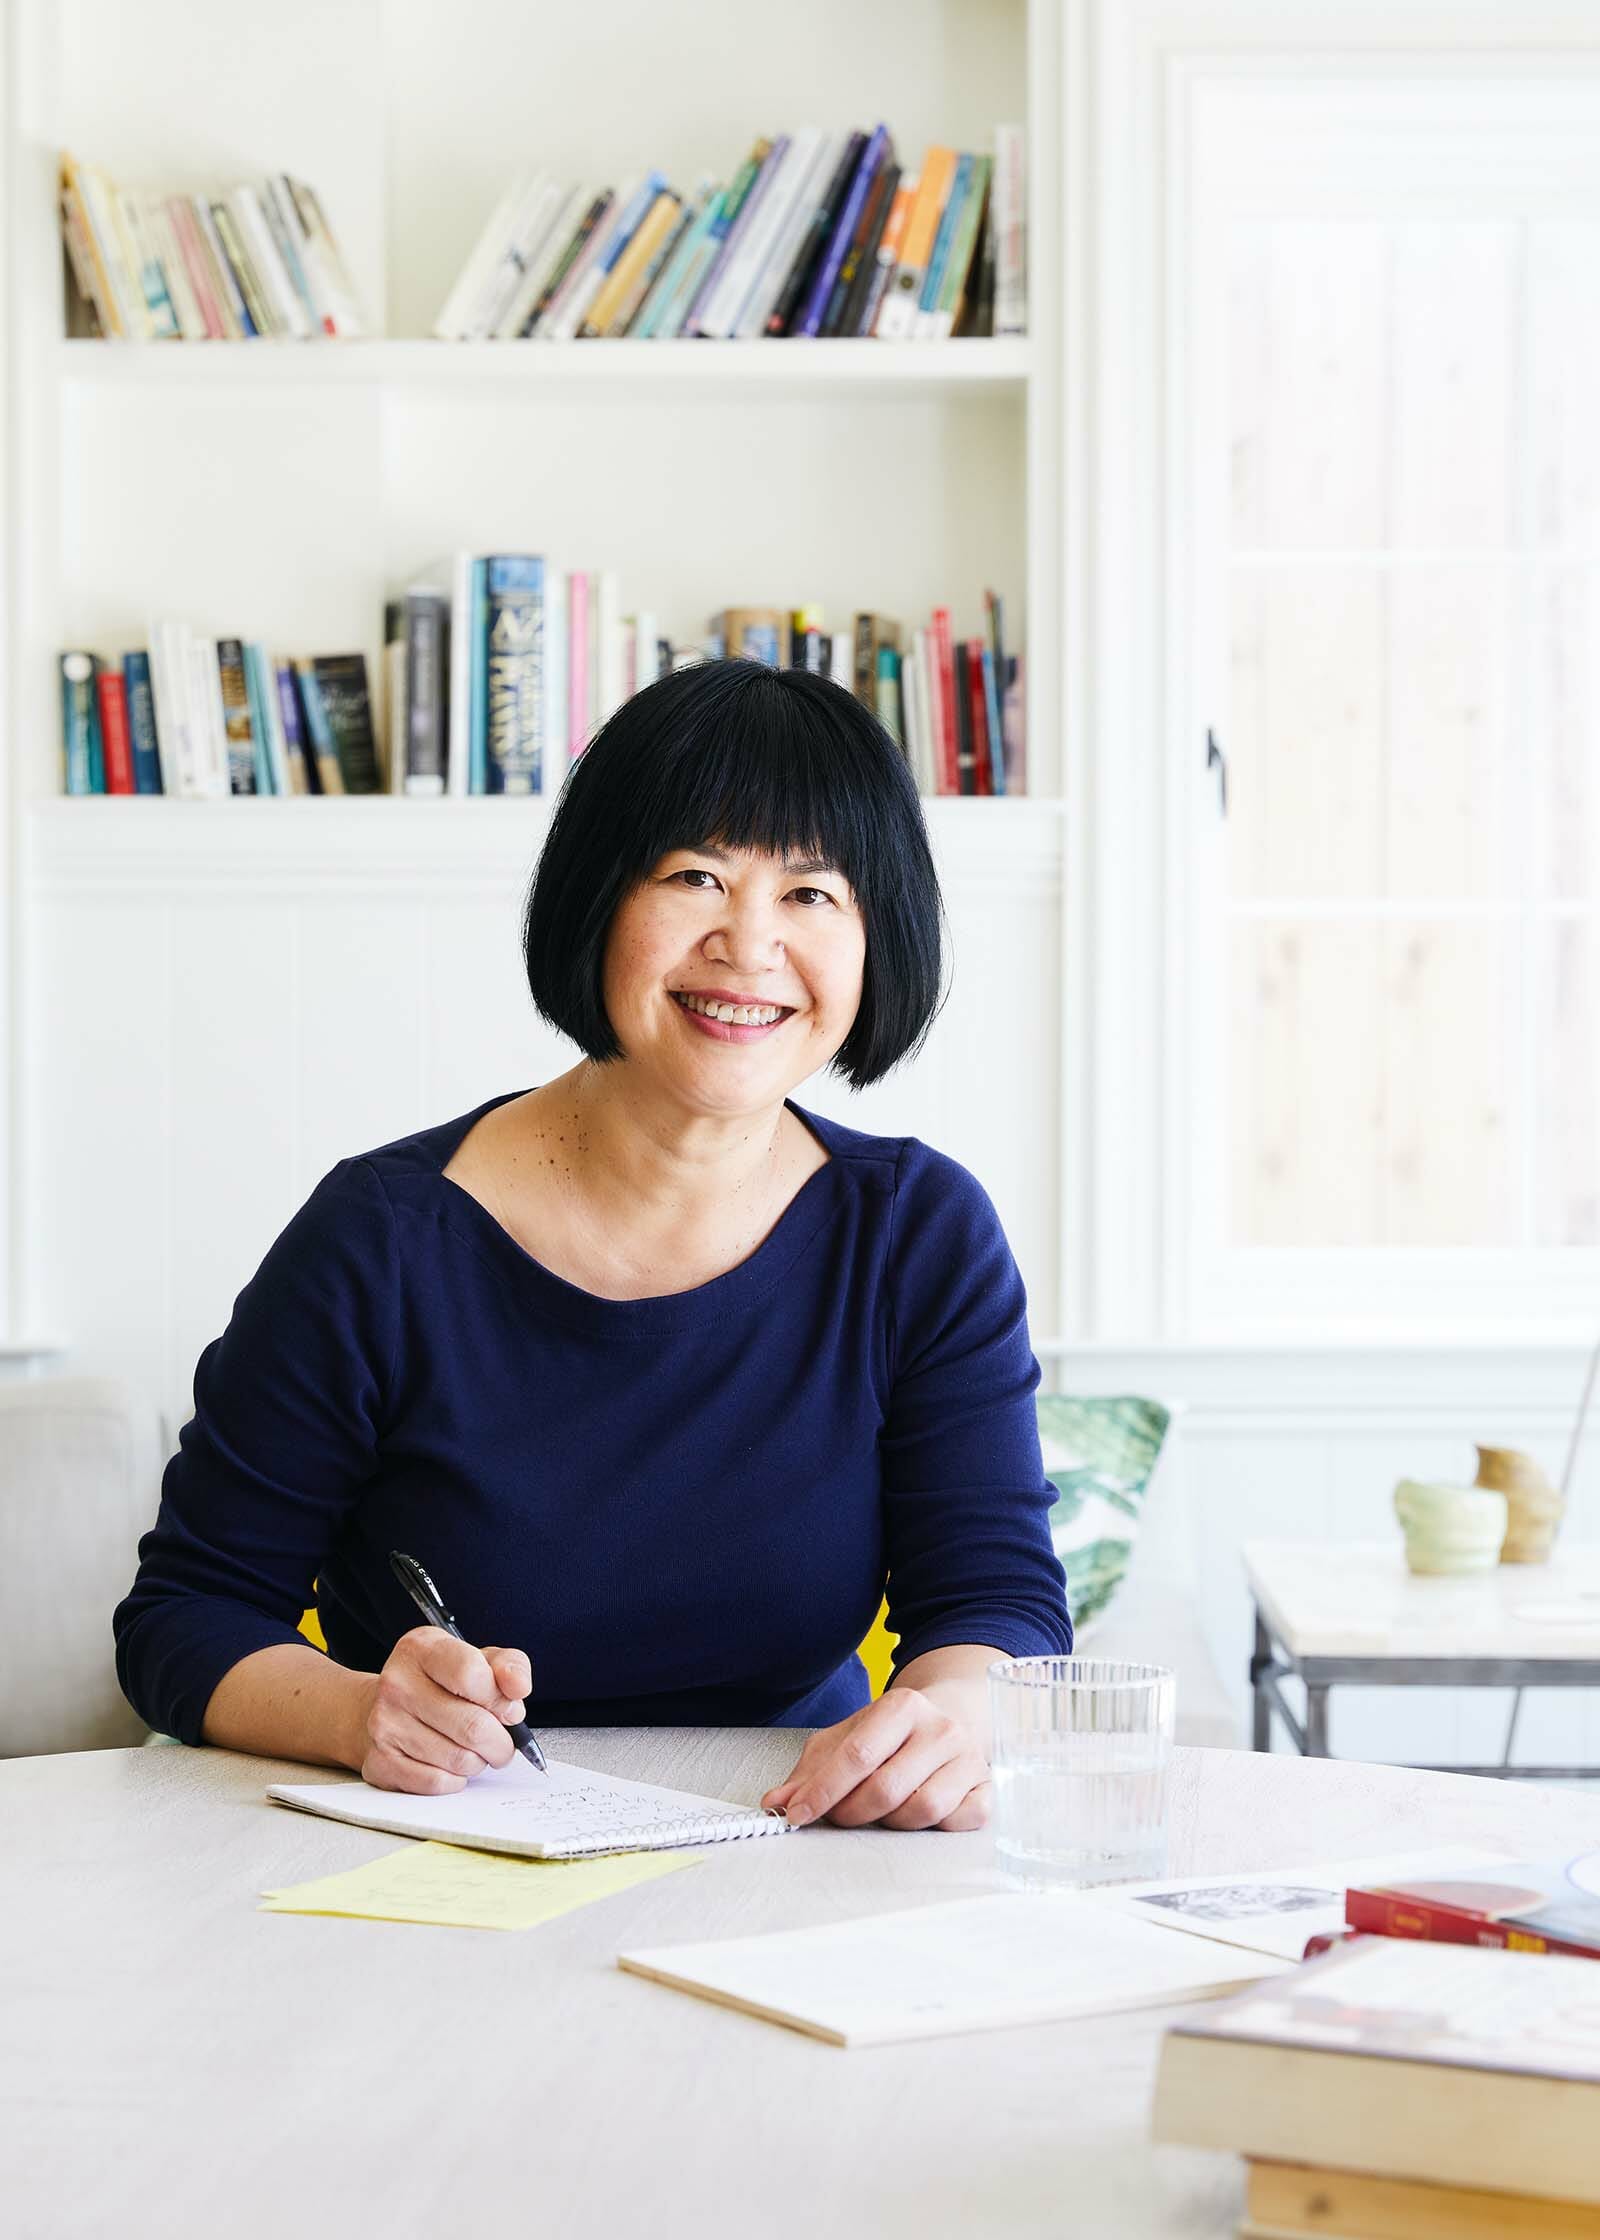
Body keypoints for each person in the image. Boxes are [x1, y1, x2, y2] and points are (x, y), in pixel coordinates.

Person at [113, 658, 1071, 1832]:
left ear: (879, 937)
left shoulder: (919, 1233)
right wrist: (359, 1710)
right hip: (446, 1845)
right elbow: (188, 1614)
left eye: (812, 893)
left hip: (801, 1836)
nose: (749, 943)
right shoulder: (381, 1238)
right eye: (694, 875)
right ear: (596, 900)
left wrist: (953, 1710)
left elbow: (995, 1593)